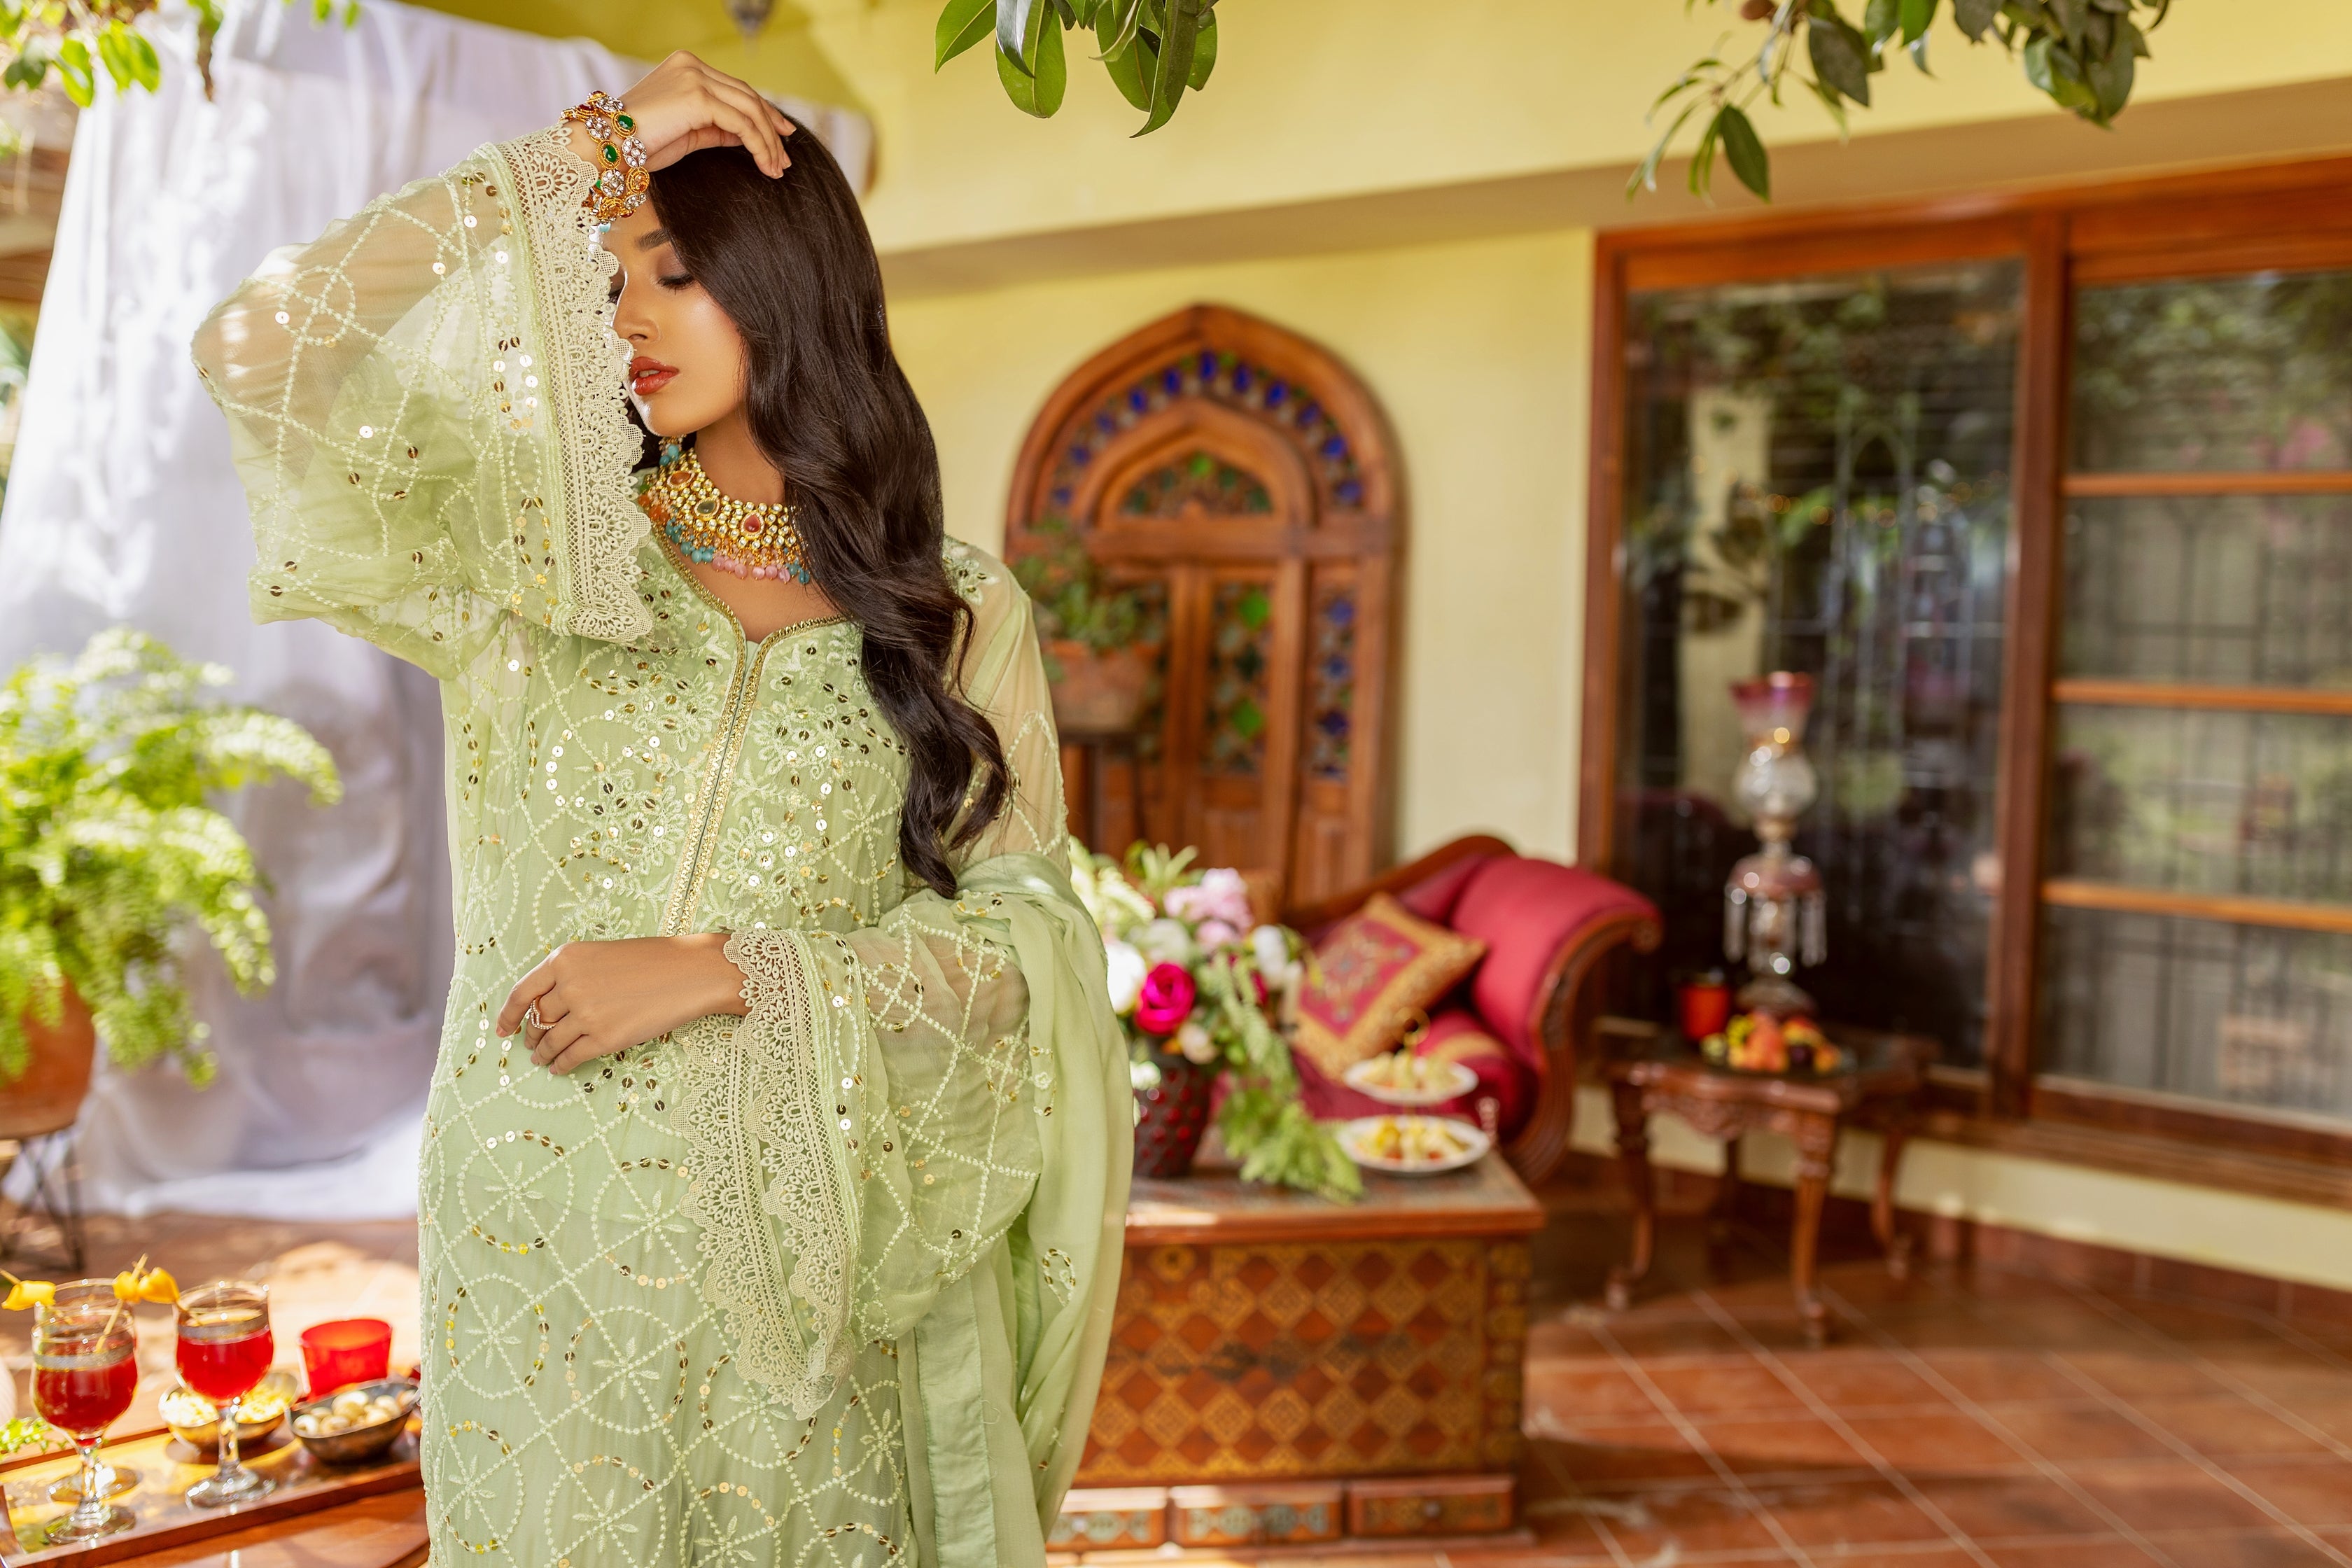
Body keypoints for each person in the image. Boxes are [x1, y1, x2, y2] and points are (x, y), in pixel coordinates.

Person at [192, 51, 1130, 1567]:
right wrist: (580, 153)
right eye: (604, 275)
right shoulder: (540, 558)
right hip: (543, 1240)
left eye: (676, 272)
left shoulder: (952, 611)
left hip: (812, 1251)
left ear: (788, 287)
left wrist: (733, 971)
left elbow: (1023, 938)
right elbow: (257, 351)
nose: (624, 318)